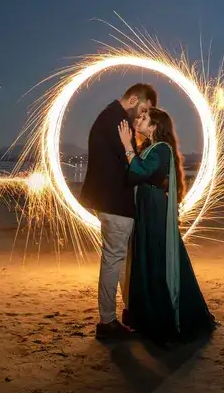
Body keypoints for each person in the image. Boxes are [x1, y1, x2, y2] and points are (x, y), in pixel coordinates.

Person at [118, 109, 216, 345]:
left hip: (153, 210)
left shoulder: (162, 149)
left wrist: (126, 146)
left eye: (143, 119)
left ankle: (163, 319)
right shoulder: (150, 148)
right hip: (146, 208)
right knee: (147, 257)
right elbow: (134, 175)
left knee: (156, 257)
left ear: (153, 127)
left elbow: (143, 172)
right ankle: (146, 316)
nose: (137, 121)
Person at [80, 82, 157, 340]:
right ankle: (107, 322)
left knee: (121, 261)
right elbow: (131, 165)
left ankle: (127, 312)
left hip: (112, 203)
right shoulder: (117, 121)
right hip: (115, 204)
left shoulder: (111, 116)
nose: (143, 116)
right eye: (143, 109)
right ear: (134, 99)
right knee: (114, 261)